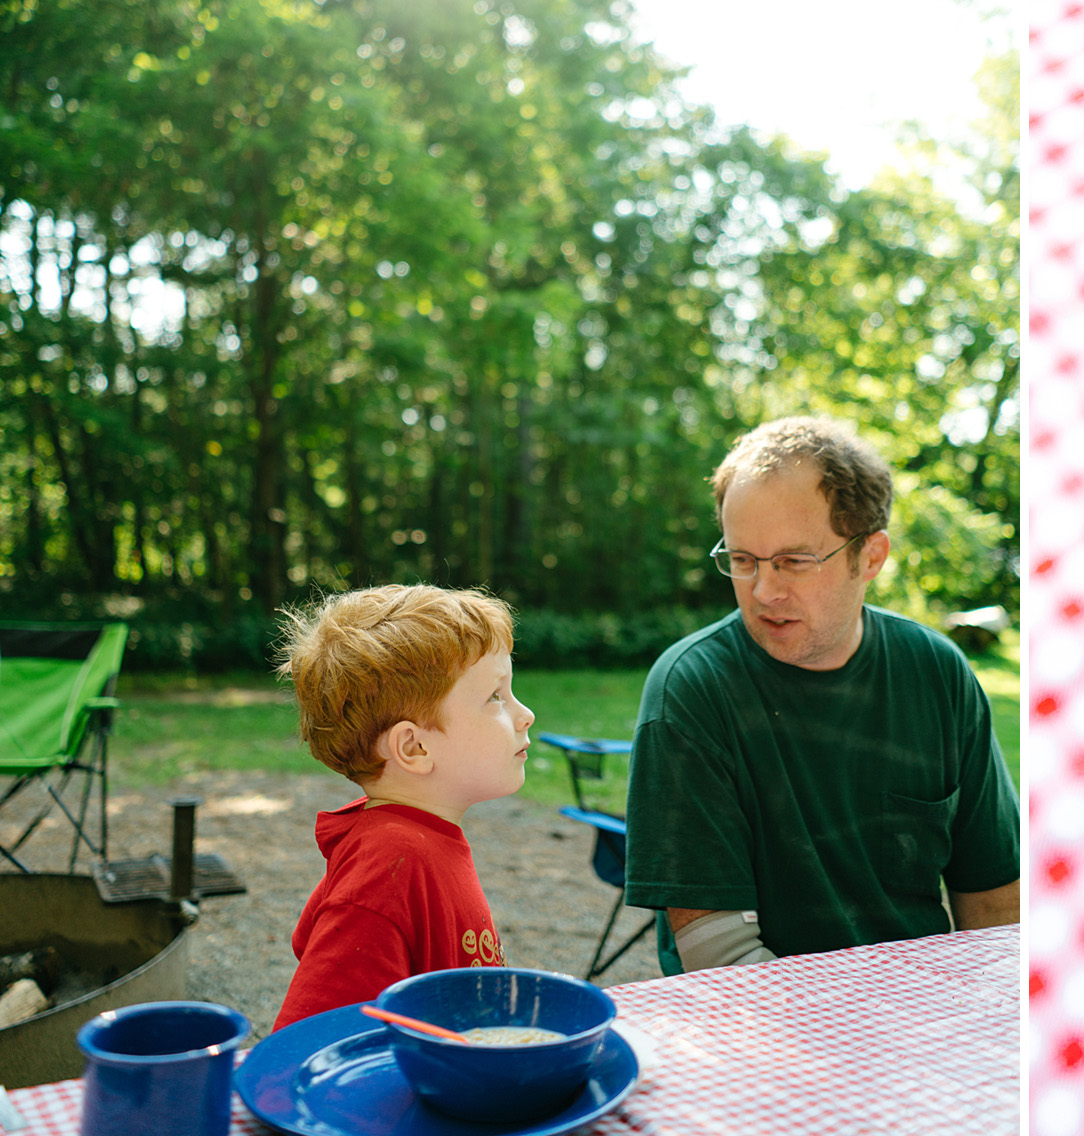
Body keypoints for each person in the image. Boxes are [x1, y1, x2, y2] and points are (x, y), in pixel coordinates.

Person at [624, 417, 1021, 973]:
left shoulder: (938, 673)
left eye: (793, 562)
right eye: (742, 561)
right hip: (761, 1031)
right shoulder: (693, 689)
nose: (763, 591)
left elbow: (995, 900)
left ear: (871, 557)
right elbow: (719, 957)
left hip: (929, 1019)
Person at [272, 584, 534, 1029]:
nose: (524, 713)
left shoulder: (418, 838)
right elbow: (312, 1044)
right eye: (495, 696)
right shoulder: (388, 868)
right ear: (413, 747)